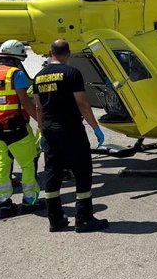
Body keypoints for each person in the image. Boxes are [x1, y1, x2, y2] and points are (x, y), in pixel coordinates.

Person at [34, 39, 108, 233]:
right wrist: (95, 127)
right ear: (68, 53)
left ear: (50, 52)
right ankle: (83, 219)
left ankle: (55, 219)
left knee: (53, 171)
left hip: (49, 129)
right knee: (82, 170)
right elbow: (82, 104)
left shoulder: (39, 77)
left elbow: (38, 107)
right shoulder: (72, 73)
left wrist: (42, 130)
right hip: (70, 128)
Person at [0, 39, 41, 217]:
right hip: (17, 128)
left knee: (3, 164)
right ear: (16, 58)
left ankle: (4, 203)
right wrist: (40, 121)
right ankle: (30, 200)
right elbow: (25, 102)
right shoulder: (15, 74)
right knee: (28, 163)